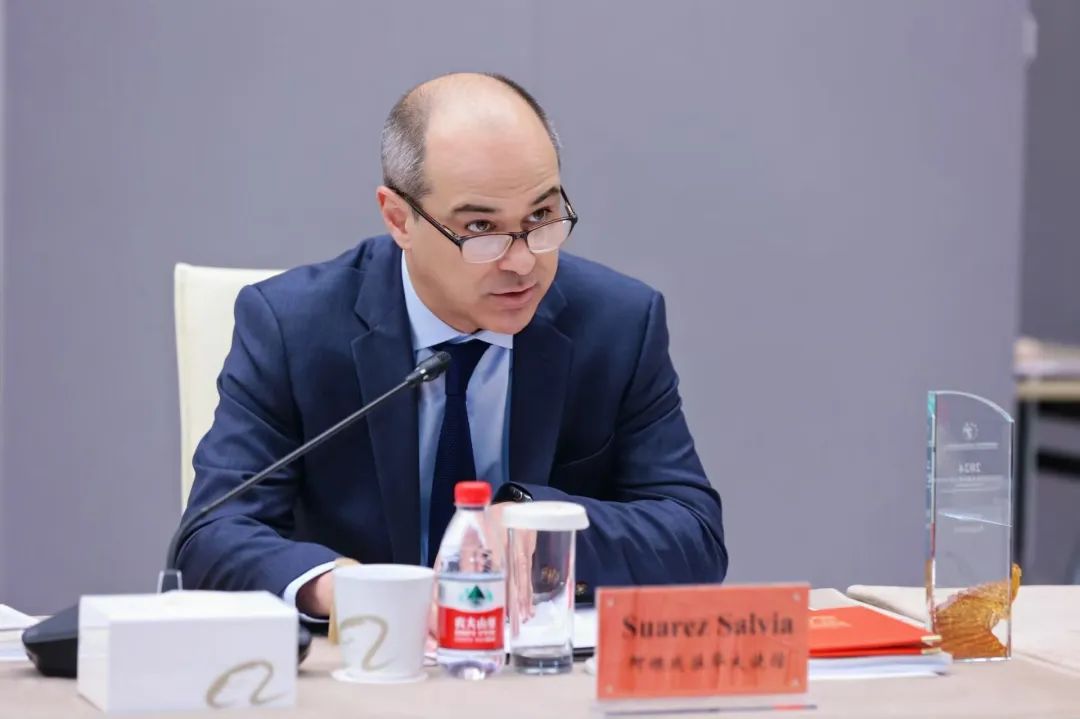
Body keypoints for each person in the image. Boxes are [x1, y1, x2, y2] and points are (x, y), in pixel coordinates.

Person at [176, 72, 727, 620]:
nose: (523, 262)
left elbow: (693, 534)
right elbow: (212, 532)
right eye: (482, 227)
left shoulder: (617, 323)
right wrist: (342, 590)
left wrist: (537, 522)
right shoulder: (293, 327)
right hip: (365, 654)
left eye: (541, 216)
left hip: (536, 659)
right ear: (399, 219)